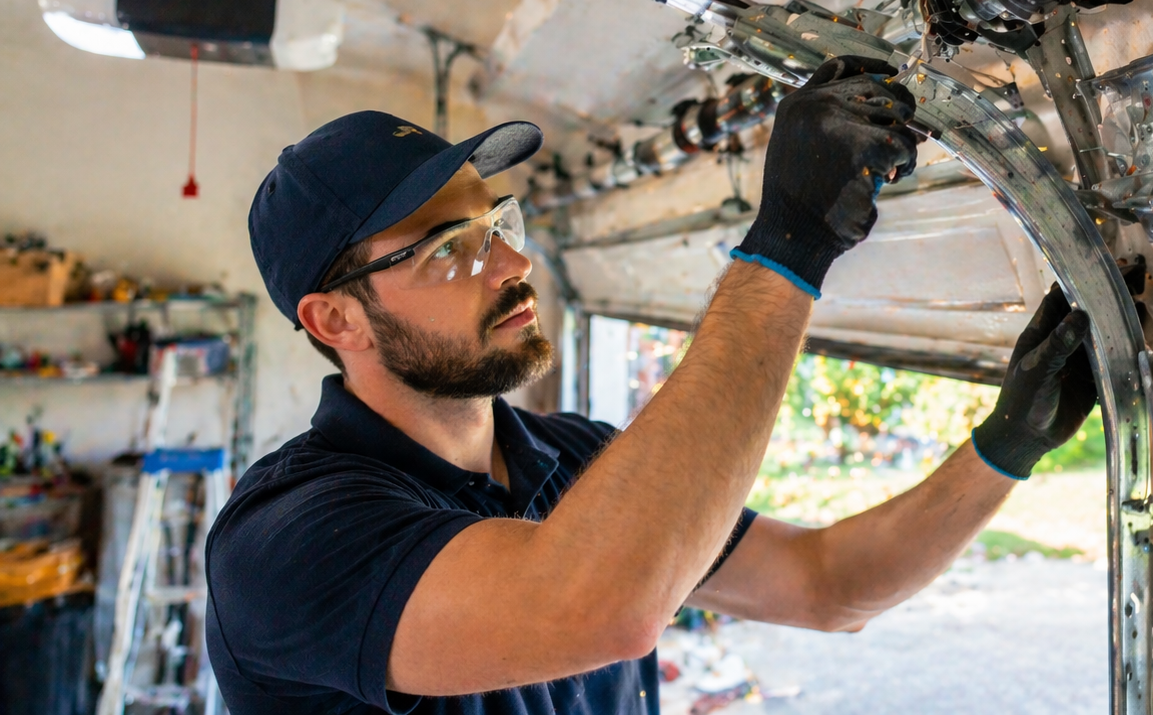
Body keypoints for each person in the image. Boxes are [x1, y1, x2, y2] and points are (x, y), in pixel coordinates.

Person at [205, 56, 1098, 714]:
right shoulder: (286, 537)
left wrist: (1009, 442)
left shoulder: (574, 461)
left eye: (496, 223)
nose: (513, 262)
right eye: (452, 248)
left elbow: (828, 583)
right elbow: (600, 606)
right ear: (336, 321)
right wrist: (787, 246)